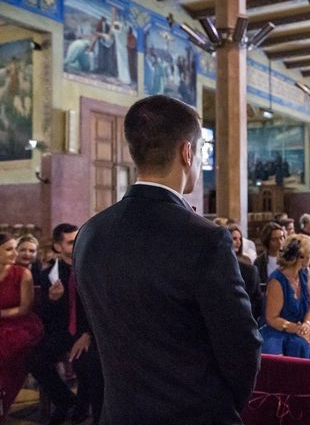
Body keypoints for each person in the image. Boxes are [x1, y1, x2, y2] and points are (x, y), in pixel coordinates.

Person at [73, 95, 261, 424]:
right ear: (187, 152)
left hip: (119, 414)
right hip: (194, 414)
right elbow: (241, 346)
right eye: (201, 150)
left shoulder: (89, 233)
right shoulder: (205, 238)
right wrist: (221, 405)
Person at [29, 224, 104, 425]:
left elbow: (99, 306)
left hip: (89, 331)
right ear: (57, 246)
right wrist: (53, 300)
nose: (77, 244)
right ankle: (66, 401)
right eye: (71, 242)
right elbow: (46, 317)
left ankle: (86, 412)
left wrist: (88, 333)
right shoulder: (49, 275)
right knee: (35, 359)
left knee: (87, 363)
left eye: (78, 239)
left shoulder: (92, 269)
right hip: (63, 331)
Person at [0, 233, 43, 422]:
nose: (15, 253)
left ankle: (3, 402)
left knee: (6, 350)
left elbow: (25, 307)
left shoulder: (23, 273)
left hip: (19, 323)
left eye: (14, 248)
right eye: (9, 249)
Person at [260, 235, 310, 358]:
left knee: (306, 340)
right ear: (300, 257)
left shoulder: (304, 274)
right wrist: (295, 328)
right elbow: (272, 318)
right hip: (278, 329)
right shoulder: (277, 280)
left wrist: (306, 324)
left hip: (301, 326)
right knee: (296, 344)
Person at [228, 224, 263, 323]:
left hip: (247, 313)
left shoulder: (248, 265)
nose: (238, 242)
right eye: (234, 238)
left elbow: (256, 296)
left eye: (240, 239)